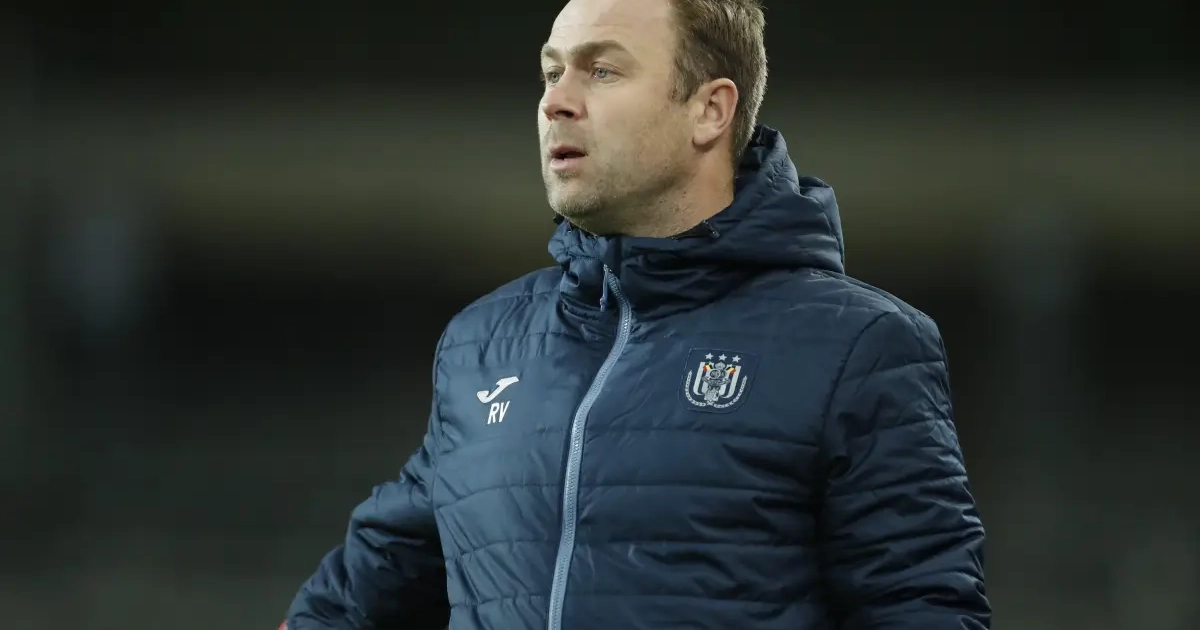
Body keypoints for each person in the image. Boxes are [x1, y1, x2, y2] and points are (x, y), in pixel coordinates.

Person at [283, 0, 990, 627]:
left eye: (602, 71)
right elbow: (368, 583)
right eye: (551, 72)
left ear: (709, 110)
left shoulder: (857, 346)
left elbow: (922, 606)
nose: (556, 102)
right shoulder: (482, 343)